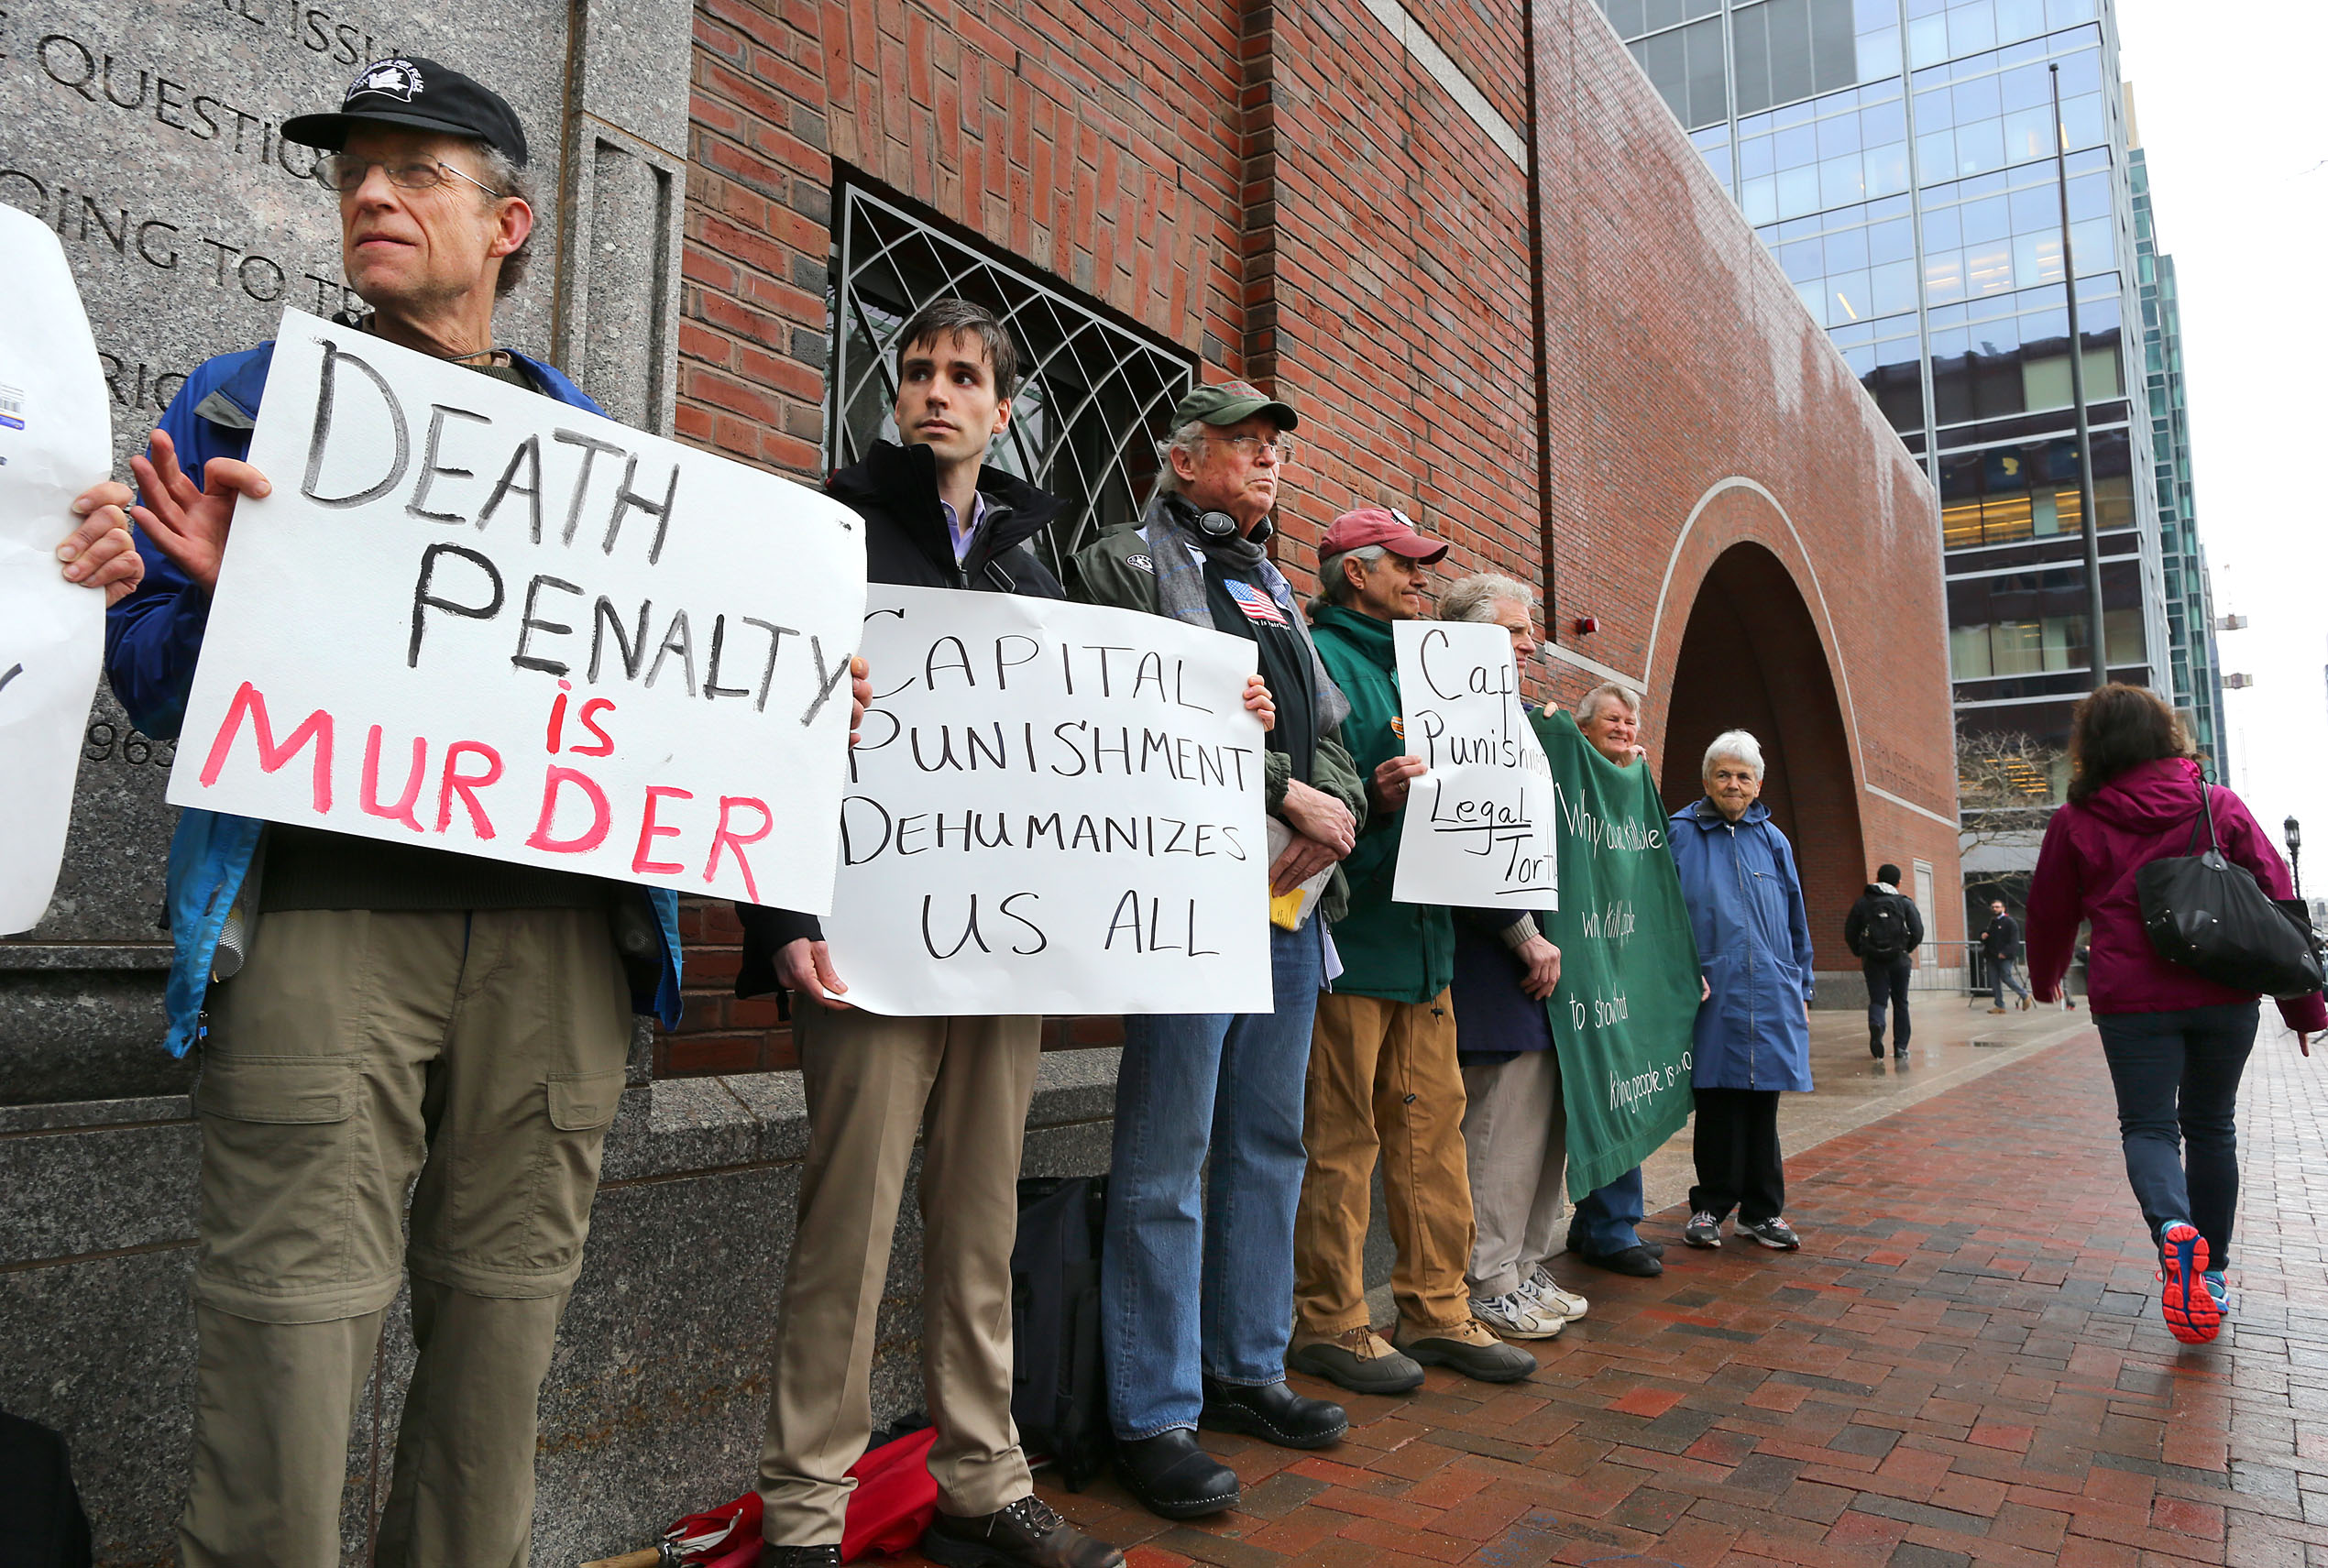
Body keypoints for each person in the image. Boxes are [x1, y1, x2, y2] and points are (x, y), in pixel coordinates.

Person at [50, 59, 852, 1567]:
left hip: (554, 950)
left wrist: (800, 706)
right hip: (327, 935)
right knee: (288, 1350)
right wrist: (227, 602)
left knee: (500, 1355)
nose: (370, 193)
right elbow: (152, 689)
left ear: (510, 225)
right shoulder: (247, 403)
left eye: (417, 170)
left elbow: (682, 700)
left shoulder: (600, 458)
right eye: (357, 169)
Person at [734, 302, 1151, 1568]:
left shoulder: (1037, 555)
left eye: (964, 374)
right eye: (915, 369)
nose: (935, 390)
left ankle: (983, 1474)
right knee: (847, 1227)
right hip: (862, 940)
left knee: (978, 1222)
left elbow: (1082, 741)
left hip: (1003, 947)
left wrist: (1219, 714)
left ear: (1005, 407)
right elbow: (761, 716)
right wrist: (781, 919)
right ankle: (807, 1508)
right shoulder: (830, 526)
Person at [1067, 382, 1363, 1519]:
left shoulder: (1274, 584)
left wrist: (1318, 821)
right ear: (1182, 461)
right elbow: (1128, 721)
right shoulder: (1123, 563)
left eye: (1271, 448)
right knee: (1165, 1151)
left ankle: (1248, 1367)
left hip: (1288, 900)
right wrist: (1279, 790)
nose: (1264, 461)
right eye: (1242, 446)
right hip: (1183, 891)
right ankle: (1154, 1411)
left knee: (1267, 1138)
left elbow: (1326, 733)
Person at [1294, 515, 1537, 1392]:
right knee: (1342, 1139)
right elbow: (1310, 810)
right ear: (1353, 573)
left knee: (1432, 1134)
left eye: (1426, 568)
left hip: (1426, 943)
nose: (1422, 580)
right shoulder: (1320, 656)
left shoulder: (1429, 664)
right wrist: (1382, 802)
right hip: (1355, 942)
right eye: (1406, 566)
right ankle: (1331, 1318)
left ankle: (1437, 1306)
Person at [2024, 684, 2323, 1345]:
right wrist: (2303, 1007)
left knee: (2150, 1126)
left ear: (2090, 745)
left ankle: (2171, 1230)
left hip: (2132, 1001)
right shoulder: (2216, 803)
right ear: (2167, 735)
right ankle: (2210, 1271)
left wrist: (2045, 979)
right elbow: (2277, 899)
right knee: (2213, 1126)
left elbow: (2049, 910)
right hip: (2224, 993)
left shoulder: (2076, 819)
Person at [1433, 576, 1598, 1338]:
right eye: (1516, 629)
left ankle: (1528, 1265)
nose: (1532, 641)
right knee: (1501, 1128)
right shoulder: (1457, 713)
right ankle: (1490, 1275)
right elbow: (1473, 837)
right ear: (1470, 635)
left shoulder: (1516, 715)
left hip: (1538, 953)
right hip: (1491, 953)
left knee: (1542, 1126)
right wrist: (1521, 929)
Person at [1670, 730, 1813, 1254]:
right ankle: (1710, 1206)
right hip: (1711, 990)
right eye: (1724, 774)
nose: (1733, 784)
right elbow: (1663, 914)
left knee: (1762, 1103)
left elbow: (1796, 916)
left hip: (1770, 989)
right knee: (1716, 1101)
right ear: (1707, 779)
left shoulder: (1774, 841)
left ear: (1758, 785)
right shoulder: (1680, 833)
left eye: (1743, 776)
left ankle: (1762, 1212)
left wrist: (1803, 982)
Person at [1561, 682, 1667, 1279]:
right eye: (1612, 720)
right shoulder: (1574, 781)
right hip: (1583, 963)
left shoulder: (1635, 788)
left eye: (1630, 720)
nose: (1625, 729)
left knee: (1625, 1088)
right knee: (1604, 1092)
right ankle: (1609, 1225)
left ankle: (1602, 1222)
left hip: (1624, 960)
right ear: (1583, 728)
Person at [1845, 864, 1924, 1060]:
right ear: (1898, 882)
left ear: (1877, 878)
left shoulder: (1863, 903)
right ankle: (1900, 1047)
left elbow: (1850, 931)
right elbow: (1918, 931)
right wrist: (1906, 949)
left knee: (1878, 1000)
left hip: (1873, 959)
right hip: (1899, 959)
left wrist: (1859, 951)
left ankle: (1877, 1024)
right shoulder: (1904, 903)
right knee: (1901, 1003)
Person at [1981, 898, 2033, 1013]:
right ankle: (1999, 1006)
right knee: (1994, 982)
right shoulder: (1992, 922)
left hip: (2004, 957)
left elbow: (2014, 941)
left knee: (2006, 977)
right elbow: (1988, 936)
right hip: (1991, 956)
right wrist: (1983, 936)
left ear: (2003, 908)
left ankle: (2024, 995)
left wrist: (2005, 953)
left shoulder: (2010, 922)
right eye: (1993, 907)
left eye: (1997, 907)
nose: (1995, 909)